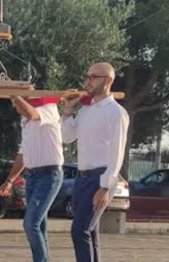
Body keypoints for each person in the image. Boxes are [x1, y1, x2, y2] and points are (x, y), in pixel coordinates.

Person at [61, 63, 129, 262]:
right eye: (87, 76)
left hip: (100, 178)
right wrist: (67, 110)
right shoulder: (86, 110)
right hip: (81, 178)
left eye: (93, 77)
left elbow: (118, 153)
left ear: (108, 81)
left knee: (79, 230)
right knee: (90, 233)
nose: (88, 81)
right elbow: (66, 137)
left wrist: (105, 187)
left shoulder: (116, 113)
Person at [0, 96, 64, 262]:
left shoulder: (49, 108)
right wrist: (10, 180)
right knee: (39, 226)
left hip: (50, 174)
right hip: (33, 176)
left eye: (17, 104)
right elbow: (23, 153)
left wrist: (15, 94)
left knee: (30, 224)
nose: (15, 107)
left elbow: (32, 112)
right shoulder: (25, 121)